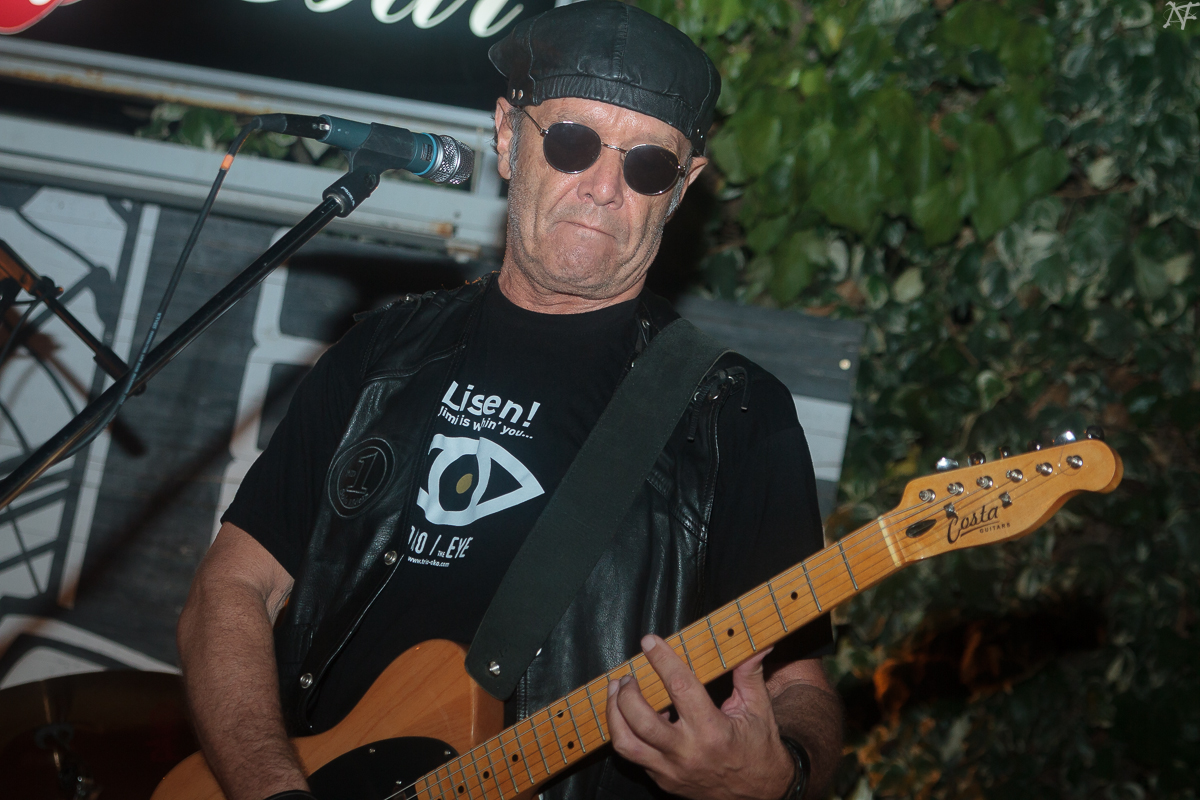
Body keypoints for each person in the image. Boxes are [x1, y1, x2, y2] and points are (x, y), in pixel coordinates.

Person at [176, 3, 844, 800]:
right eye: (572, 143)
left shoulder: (736, 413)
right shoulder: (379, 354)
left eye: (647, 167)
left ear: (682, 188)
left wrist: (780, 775)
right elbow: (231, 588)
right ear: (506, 136)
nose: (604, 189)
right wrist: (271, 786)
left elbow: (796, 686)